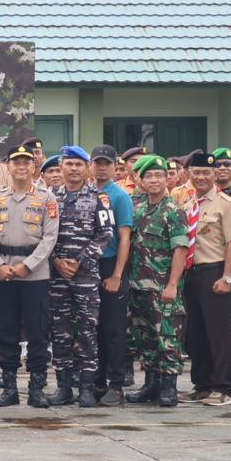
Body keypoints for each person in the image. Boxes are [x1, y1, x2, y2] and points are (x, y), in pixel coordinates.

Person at [0, 144, 60, 407]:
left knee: (37, 332)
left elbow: (50, 237)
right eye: (15, 162)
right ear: (8, 167)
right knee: (6, 331)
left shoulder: (46, 198)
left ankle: (36, 389)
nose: (20, 166)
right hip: (4, 274)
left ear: (33, 167)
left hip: (35, 275)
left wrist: (28, 265)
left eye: (26, 162)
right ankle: (9, 389)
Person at [45, 146, 116, 407]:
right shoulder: (50, 198)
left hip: (85, 276)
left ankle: (87, 387)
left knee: (87, 331)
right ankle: (64, 387)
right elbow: (42, 234)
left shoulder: (99, 198)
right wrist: (56, 261)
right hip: (57, 276)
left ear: (87, 169)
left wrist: (79, 260)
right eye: (69, 164)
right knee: (59, 332)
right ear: (61, 167)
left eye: (78, 164)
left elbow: (105, 234)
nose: (73, 169)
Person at [124, 156, 189, 407]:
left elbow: (180, 249)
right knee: (146, 337)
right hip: (138, 286)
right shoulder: (138, 209)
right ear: (140, 180)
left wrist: (172, 284)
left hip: (163, 287)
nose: (154, 180)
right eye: (149, 176)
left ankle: (169, 387)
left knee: (168, 337)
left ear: (166, 179)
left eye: (159, 176)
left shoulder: (173, 210)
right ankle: (151, 384)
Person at [180, 150, 231, 405]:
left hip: (214, 272)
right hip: (191, 274)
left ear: (215, 174)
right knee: (196, 334)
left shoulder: (226, 204)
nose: (202, 177)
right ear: (189, 174)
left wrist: (227, 277)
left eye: (207, 173)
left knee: (218, 333)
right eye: (197, 173)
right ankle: (202, 385)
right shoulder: (188, 205)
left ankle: (223, 387)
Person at [90, 145, 134, 405]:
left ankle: (116, 384)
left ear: (115, 166)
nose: (101, 167)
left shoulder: (120, 196)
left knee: (113, 328)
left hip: (111, 264)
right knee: (92, 328)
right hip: (89, 266)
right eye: (97, 162)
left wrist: (117, 274)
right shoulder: (86, 192)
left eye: (106, 163)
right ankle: (97, 380)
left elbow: (125, 237)